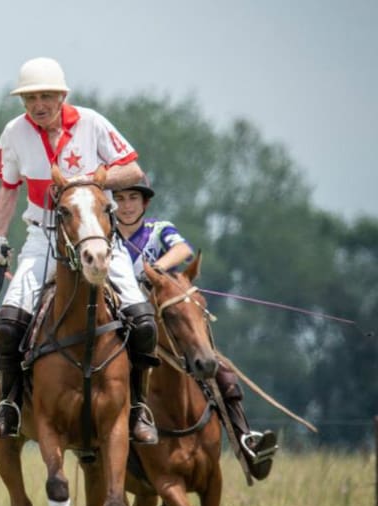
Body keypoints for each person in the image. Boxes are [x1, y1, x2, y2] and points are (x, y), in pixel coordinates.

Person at [0, 57, 159, 444]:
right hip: (44, 236)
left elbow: (133, 171)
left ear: (62, 96)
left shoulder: (92, 123)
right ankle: (10, 406)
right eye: (30, 98)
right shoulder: (14, 133)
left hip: (94, 234)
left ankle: (140, 407)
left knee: (143, 320)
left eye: (46, 96)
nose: (38, 104)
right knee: (9, 324)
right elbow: (8, 188)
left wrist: (91, 181)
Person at [113, 176, 277, 480]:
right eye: (120, 199)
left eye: (132, 198)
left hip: (169, 324)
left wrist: (156, 272)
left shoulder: (159, 229)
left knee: (221, 371)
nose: (125, 206)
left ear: (144, 202)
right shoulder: (105, 234)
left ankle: (246, 442)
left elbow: (183, 250)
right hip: (123, 326)